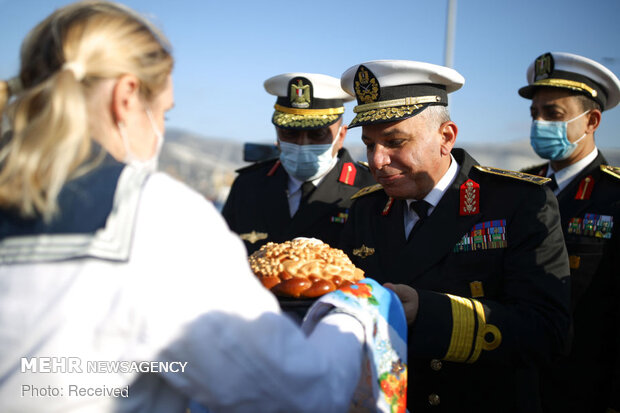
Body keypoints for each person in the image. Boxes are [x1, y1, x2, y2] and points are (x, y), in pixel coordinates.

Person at [0, 3, 406, 412]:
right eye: (164, 113)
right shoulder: (159, 214)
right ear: (125, 97)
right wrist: (357, 309)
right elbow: (295, 390)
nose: (159, 129)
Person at [339, 60, 571, 412]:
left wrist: (429, 312)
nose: (376, 160)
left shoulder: (517, 202)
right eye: (369, 144)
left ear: (446, 137)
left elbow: (547, 332)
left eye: (394, 142)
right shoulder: (366, 209)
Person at [518, 52, 620, 413]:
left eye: (553, 115)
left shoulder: (615, 196)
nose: (540, 123)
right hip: (518, 380)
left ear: (591, 120)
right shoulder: (519, 190)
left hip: (586, 387)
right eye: (535, 114)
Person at [222, 72, 375, 255]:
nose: (302, 144)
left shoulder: (369, 189)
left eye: (317, 134)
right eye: (290, 133)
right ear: (277, 133)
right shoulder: (248, 186)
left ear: (341, 136)